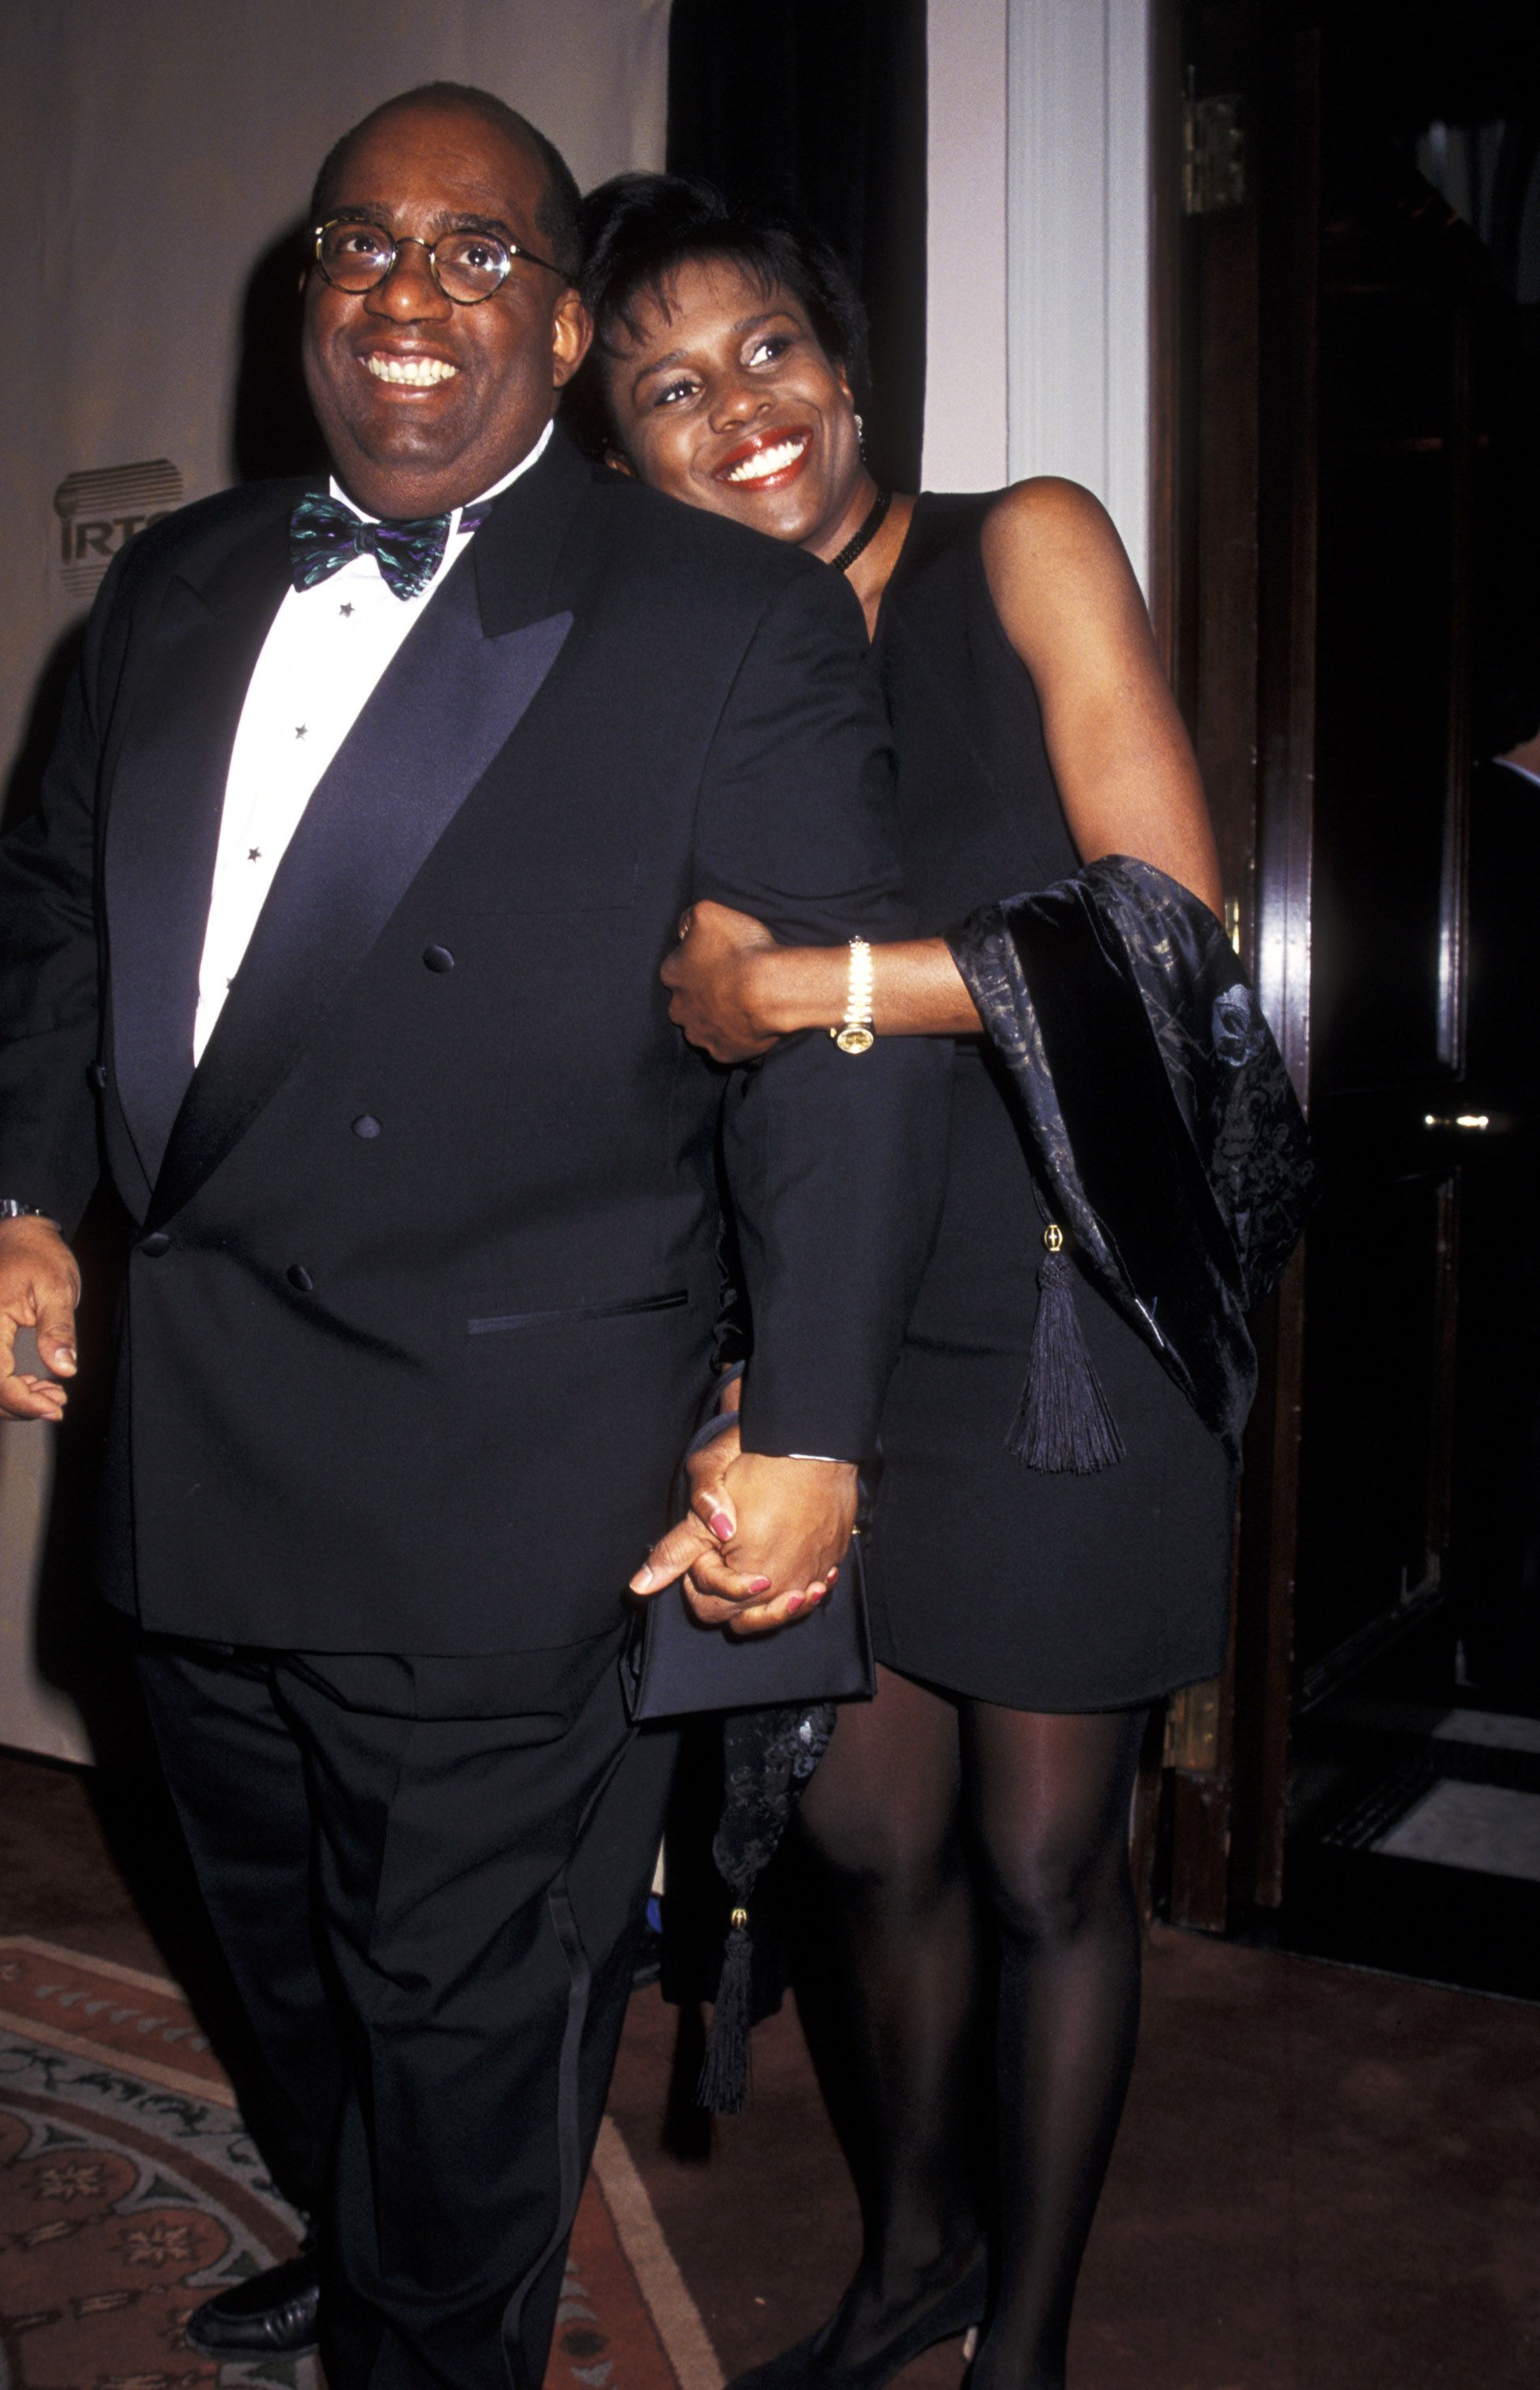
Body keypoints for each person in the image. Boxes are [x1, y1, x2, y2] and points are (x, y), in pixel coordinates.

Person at [0, 92, 949, 2390]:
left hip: (513, 1474)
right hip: (194, 1443)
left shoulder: (725, 616)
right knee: (281, 1958)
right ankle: (376, 2222)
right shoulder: (175, 589)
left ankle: (432, 2319)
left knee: (468, 2012)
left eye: (480, 253)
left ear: (573, 321)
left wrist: (812, 1426)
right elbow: (40, 928)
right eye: (358, 249)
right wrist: (14, 1196)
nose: (408, 297)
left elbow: (837, 1045)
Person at [586, 176, 1236, 2390]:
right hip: (827, 1341)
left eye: (767, 348)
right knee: (867, 1841)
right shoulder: (679, 678)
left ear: (848, 363)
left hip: (1066, 1316)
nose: (738, 409)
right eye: (670, 385)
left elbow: (1167, 931)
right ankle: (915, 2261)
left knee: (1052, 1861)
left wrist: (803, 982)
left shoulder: (1019, 543)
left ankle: (1024, 2347)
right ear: (620, 451)